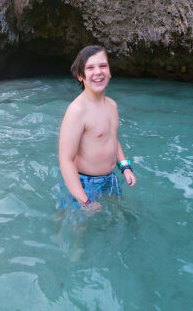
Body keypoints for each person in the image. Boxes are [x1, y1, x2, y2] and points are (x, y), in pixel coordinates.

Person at [58, 45, 136, 211]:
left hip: (109, 179)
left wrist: (125, 167)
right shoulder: (77, 111)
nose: (98, 72)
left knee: (114, 222)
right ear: (80, 76)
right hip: (83, 184)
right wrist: (84, 201)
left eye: (103, 66)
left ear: (109, 71)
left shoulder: (112, 105)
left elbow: (112, 139)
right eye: (90, 67)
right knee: (79, 231)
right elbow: (66, 160)